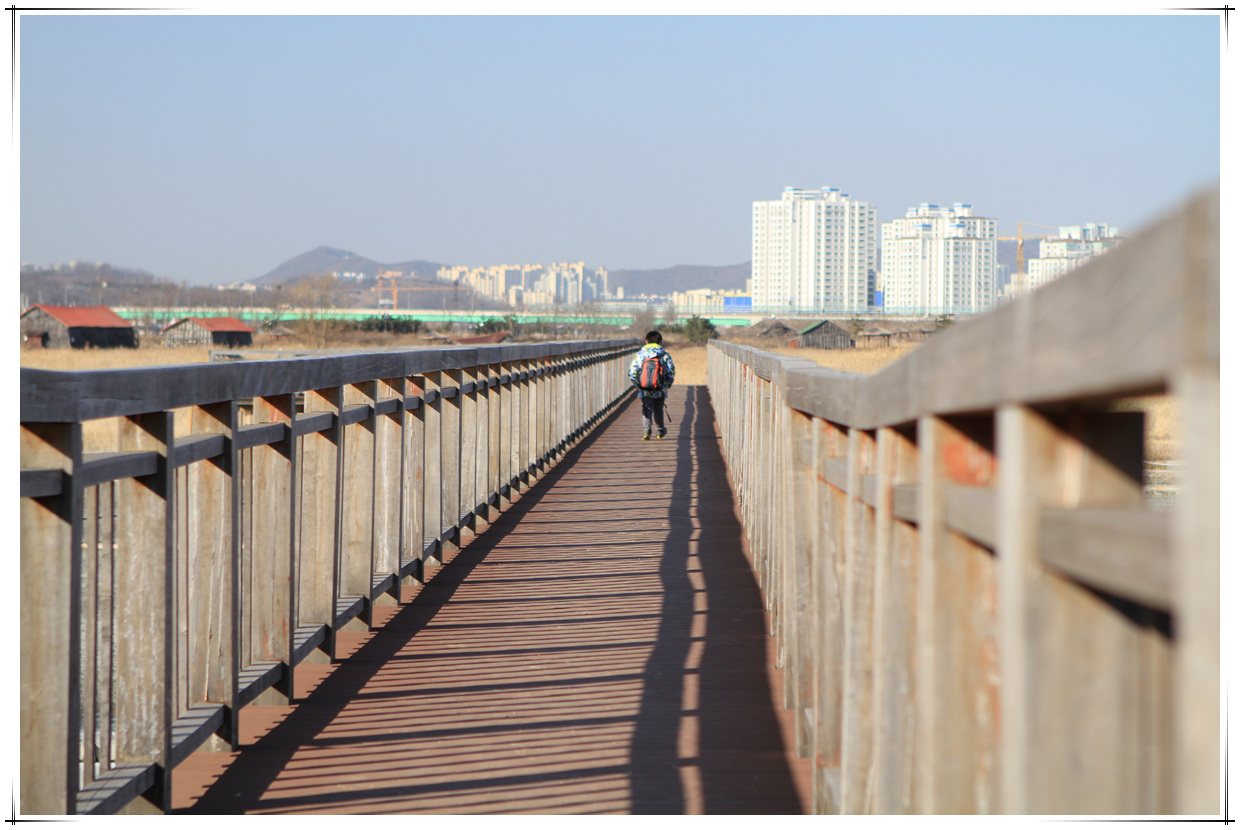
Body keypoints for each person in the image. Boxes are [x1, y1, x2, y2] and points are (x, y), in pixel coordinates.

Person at [628, 330, 676, 440]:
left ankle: (647, 432)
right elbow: (671, 372)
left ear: (646, 341)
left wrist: (637, 384)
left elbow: (632, 372)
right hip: (660, 388)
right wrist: (668, 384)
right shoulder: (664, 355)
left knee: (647, 408)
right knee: (658, 409)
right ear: (660, 342)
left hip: (644, 388)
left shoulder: (641, 355)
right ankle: (660, 431)